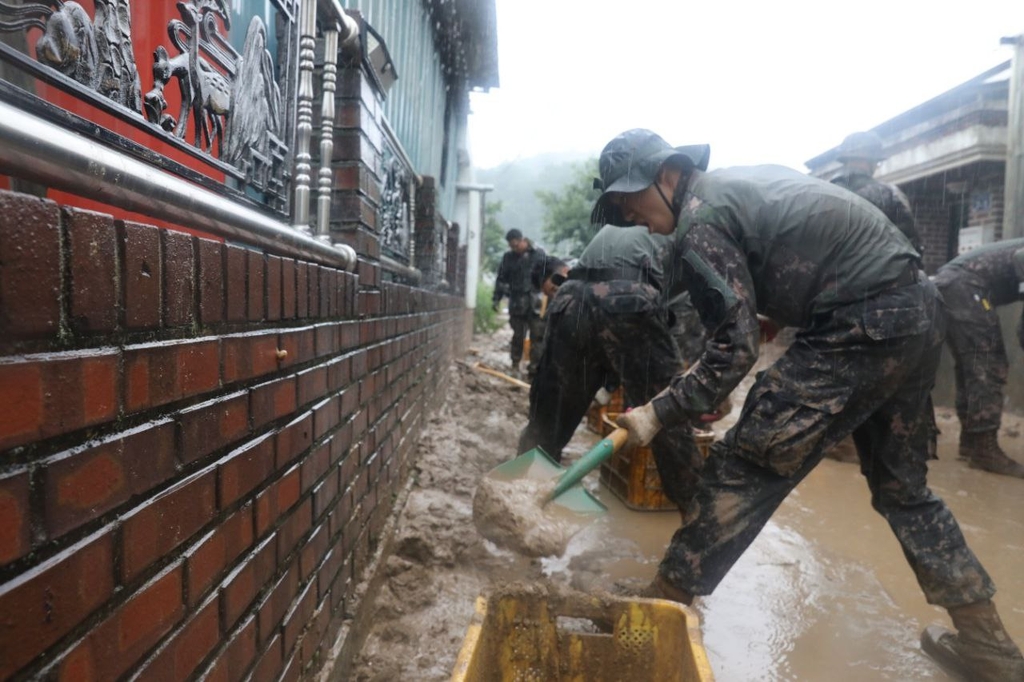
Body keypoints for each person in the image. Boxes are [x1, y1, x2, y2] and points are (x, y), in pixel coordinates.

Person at [594, 128, 1023, 681]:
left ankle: (665, 601)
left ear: (666, 175)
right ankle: (988, 644)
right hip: (917, 314)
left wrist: (656, 412)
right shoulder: (735, 188)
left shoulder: (700, 219)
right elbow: (800, 270)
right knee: (904, 492)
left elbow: (735, 348)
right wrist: (772, 320)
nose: (638, 220)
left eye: (633, 204)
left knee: (746, 462)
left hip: (864, 324)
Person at [517, 221, 711, 520]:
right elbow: (691, 334)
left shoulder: (638, 215)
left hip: (569, 300)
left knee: (548, 418)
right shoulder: (695, 230)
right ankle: (699, 523)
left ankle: (520, 503)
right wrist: (695, 397)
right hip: (629, 298)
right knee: (669, 419)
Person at [933, 238, 1024, 477]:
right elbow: (1020, 257)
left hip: (953, 284)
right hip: (965, 286)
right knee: (988, 364)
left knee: (972, 366)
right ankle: (984, 448)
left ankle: (972, 443)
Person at [831, 131, 924, 255]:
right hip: (871, 270)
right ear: (869, 161)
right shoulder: (889, 194)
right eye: (877, 163)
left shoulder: (820, 193)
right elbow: (910, 244)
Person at [493, 229, 546, 378]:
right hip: (517, 303)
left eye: (516, 245)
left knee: (538, 337)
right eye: (512, 246)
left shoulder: (539, 254)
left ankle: (534, 370)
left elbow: (548, 277)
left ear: (523, 240)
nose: (514, 249)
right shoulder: (508, 258)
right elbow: (501, 279)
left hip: (536, 302)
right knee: (518, 336)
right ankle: (515, 365)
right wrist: (496, 298)